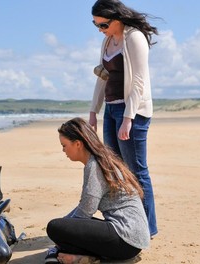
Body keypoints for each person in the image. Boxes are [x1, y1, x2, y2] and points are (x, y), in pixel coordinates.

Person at [88, 0, 158, 237]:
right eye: (96, 25)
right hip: (111, 109)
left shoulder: (134, 37)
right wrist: (93, 112)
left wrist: (128, 118)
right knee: (116, 170)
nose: (100, 29)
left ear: (116, 19)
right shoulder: (107, 41)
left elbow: (139, 80)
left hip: (134, 113)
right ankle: (128, 223)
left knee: (137, 171)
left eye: (104, 24)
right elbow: (102, 76)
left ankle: (148, 228)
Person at [45, 118, 150, 263]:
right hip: (133, 239)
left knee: (54, 228)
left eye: (64, 145)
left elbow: (85, 212)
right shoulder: (100, 160)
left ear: (78, 144)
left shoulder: (94, 166)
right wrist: (66, 226)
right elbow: (84, 207)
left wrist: (62, 231)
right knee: (62, 228)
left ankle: (87, 256)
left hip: (126, 239)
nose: (63, 150)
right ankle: (86, 257)